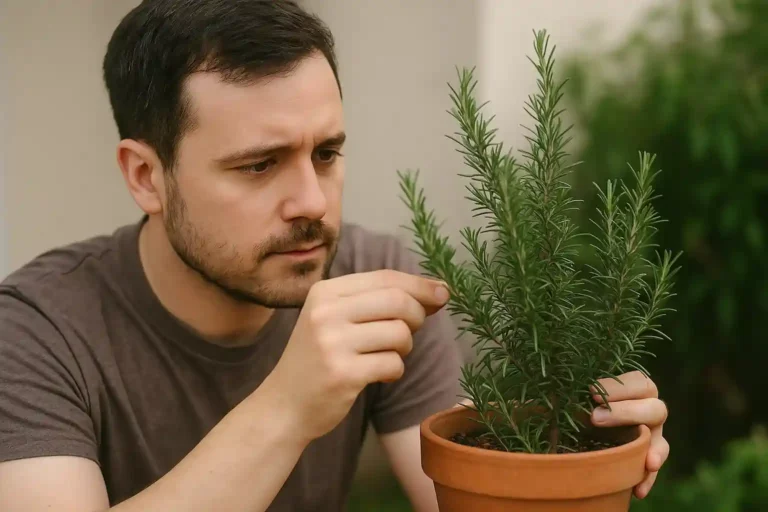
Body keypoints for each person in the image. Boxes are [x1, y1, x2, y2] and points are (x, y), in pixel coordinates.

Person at [0, 1, 670, 511]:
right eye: (259, 166)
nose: (311, 202)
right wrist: (289, 408)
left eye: (326, 154)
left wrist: (578, 451)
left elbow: (465, 496)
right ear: (147, 176)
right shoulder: (34, 332)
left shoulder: (375, 282)